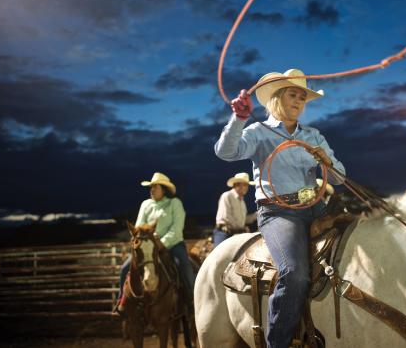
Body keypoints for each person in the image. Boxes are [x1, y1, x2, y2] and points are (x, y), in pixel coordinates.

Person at [215, 69, 346, 348]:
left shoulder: (313, 136)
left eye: (302, 97)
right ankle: (279, 342)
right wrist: (237, 119)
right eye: (293, 95)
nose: (299, 101)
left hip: (316, 208)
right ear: (276, 98)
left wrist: (327, 163)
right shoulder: (259, 133)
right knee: (295, 272)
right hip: (278, 212)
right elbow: (226, 152)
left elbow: (341, 178)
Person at [114, 172, 195, 313]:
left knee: (183, 265)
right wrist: (147, 244)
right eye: (150, 187)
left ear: (164, 189)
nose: (151, 190)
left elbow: (176, 229)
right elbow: (139, 227)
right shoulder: (146, 204)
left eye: (155, 187)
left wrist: (160, 244)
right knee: (125, 269)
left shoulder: (175, 203)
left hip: (173, 244)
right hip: (148, 246)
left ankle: (192, 300)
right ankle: (122, 301)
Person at [214, 172, 257, 246]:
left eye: (246, 185)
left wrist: (257, 214)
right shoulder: (227, 196)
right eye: (244, 185)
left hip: (237, 234)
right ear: (236, 185)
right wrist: (242, 228)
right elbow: (226, 217)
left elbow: (243, 220)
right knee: (221, 256)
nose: (246, 188)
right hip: (224, 233)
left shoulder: (242, 201)